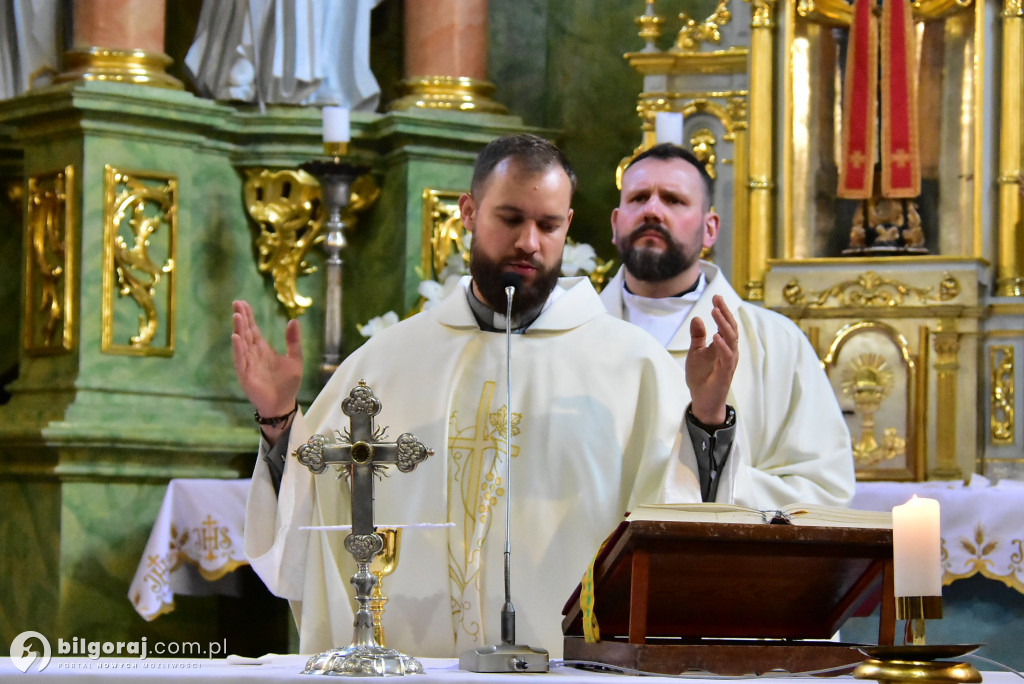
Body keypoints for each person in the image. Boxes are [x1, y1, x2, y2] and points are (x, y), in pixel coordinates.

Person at [234, 134, 723, 659]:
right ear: (468, 212)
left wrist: (709, 418)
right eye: (510, 219)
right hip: (414, 668)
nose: (529, 242)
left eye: (548, 225)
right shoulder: (385, 363)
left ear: (568, 224)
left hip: (572, 673)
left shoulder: (633, 367)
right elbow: (308, 528)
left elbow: (682, 528)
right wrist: (278, 417)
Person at [602, 143, 855, 510]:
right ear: (615, 224)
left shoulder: (775, 343)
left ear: (710, 229)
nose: (652, 210)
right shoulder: (576, 335)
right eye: (638, 198)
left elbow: (825, 491)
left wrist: (711, 477)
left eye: (673, 200)